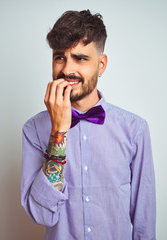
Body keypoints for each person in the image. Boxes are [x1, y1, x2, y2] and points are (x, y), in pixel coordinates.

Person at [21, 9, 156, 240]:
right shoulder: (34, 130)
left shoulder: (135, 130)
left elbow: (144, 220)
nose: (67, 69)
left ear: (101, 64)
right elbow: (42, 215)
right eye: (59, 57)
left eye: (80, 58)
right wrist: (58, 131)